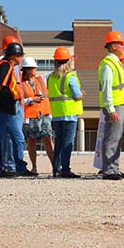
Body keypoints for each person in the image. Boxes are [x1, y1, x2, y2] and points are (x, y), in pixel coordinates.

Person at [0, 42, 34, 177]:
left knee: (7, 137)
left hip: (5, 108)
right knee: (6, 138)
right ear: (14, 56)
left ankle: (9, 168)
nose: (21, 59)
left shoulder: (6, 65)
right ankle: (6, 168)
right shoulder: (6, 66)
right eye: (20, 56)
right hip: (4, 109)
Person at [97, 31, 124, 180]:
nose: (123, 46)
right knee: (112, 138)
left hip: (119, 106)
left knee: (116, 138)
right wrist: (110, 109)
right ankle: (109, 170)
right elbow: (106, 88)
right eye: (121, 44)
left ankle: (114, 168)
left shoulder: (115, 63)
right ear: (114, 46)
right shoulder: (108, 64)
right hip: (114, 107)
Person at [47, 46, 85, 178]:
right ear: (68, 61)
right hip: (69, 114)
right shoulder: (70, 76)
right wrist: (81, 94)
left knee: (58, 142)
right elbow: (76, 94)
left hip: (57, 114)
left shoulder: (51, 78)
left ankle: (56, 169)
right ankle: (65, 169)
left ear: (55, 62)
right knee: (68, 143)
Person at [19, 56, 54, 175]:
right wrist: (31, 99)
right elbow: (20, 100)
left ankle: (55, 167)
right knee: (31, 142)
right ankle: (34, 167)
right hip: (29, 117)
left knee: (48, 140)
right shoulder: (20, 83)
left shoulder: (40, 79)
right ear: (27, 69)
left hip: (43, 115)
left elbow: (52, 73)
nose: (36, 70)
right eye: (34, 68)